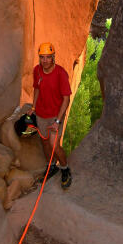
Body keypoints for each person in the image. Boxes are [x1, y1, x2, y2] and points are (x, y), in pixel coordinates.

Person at [31, 42, 72, 189]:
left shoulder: (61, 73)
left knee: (54, 146)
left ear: (53, 57)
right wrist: (33, 107)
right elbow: (36, 88)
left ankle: (65, 168)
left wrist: (58, 120)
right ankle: (51, 166)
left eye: (48, 57)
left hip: (55, 116)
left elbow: (66, 98)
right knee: (45, 143)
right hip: (41, 114)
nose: (45, 60)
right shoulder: (37, 71)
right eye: (42, 57)